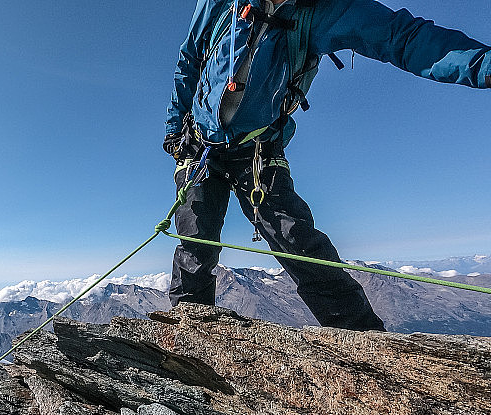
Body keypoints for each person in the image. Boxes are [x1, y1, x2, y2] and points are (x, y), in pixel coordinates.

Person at [164, 0, 491, 331]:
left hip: (259, 150)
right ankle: (185, 343)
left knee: (298, 244)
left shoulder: (326, 12)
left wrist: (482, 63)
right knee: (195, 246)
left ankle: (365, 347)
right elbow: (190, 57)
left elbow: (401, 36)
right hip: (199, 147)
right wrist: (174, 129)